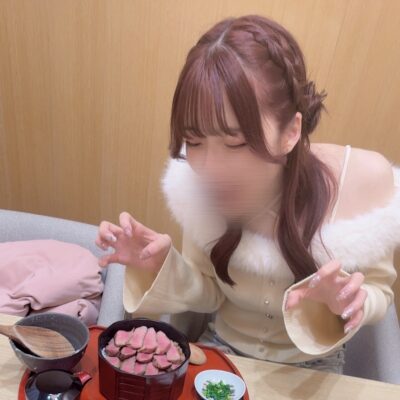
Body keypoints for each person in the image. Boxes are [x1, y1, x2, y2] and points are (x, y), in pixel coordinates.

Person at [95, 15, 400, 374]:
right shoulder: (195, 187)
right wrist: (163, 267)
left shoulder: (363, 181)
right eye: (194, 141)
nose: (210, 169)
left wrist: (351, 300)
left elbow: (380, 290)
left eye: (235, 142)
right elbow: (210, 290)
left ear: (291, 132)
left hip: (314, 367)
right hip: (222, 354)